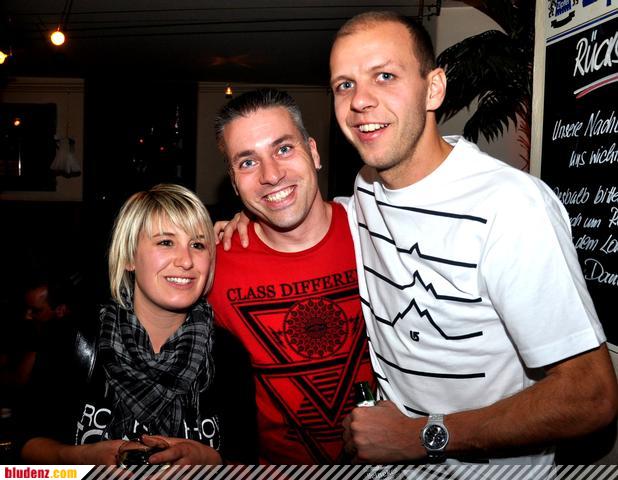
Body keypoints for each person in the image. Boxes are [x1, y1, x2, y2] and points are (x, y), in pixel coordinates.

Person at [327, 11, 618, 465]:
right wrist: (247, 223)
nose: (360, 100)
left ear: (433, 88)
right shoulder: (366, 189)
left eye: (384, 76)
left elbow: (591, 395)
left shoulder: (511, 207)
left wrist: (422, 436)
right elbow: (317, 221)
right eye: (344, 84)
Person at [18, 183, 257, 465]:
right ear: (130, 257)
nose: (186, 260)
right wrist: (80, 458)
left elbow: (246, 461)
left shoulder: (228, 354)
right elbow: (26, 448)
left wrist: (212, 462)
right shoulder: (75, 341)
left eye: (198, 245)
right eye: (166, 242)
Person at [208, 88, 374, 464]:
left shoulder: (377, 234)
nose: (271, 175)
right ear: (233, 183)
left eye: (283, 149)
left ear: (313, 152)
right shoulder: (213, 266)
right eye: (247, 162)